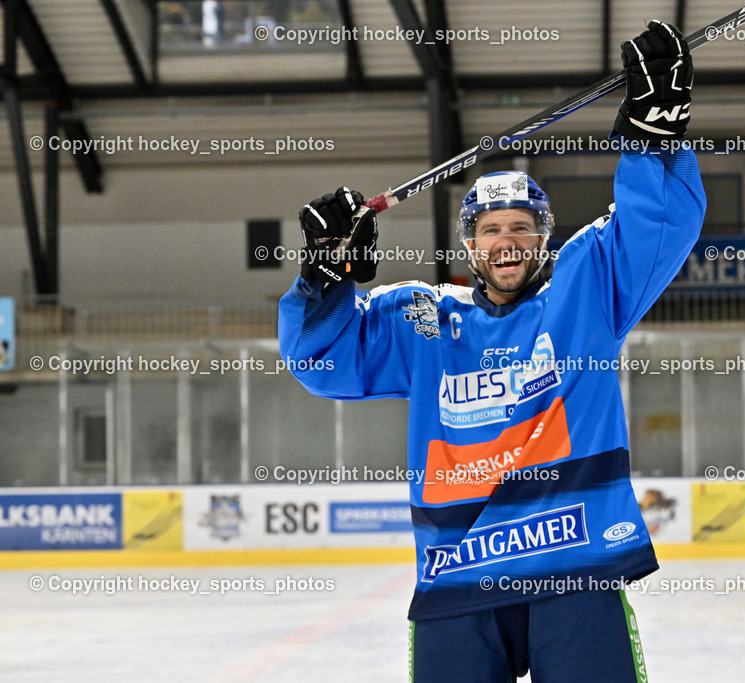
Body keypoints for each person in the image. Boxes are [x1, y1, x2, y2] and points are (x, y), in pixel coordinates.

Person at [279, 20, 705, 682]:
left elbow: (655, 231)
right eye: (489, 229)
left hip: (575, 566)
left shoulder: (584, 285)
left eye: (521, 227)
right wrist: (322, 278)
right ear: (469, 245)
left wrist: (655, 134)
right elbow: (321, 359)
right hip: (458, 579)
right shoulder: (423, 320)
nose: (506, 240)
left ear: (542, 237)